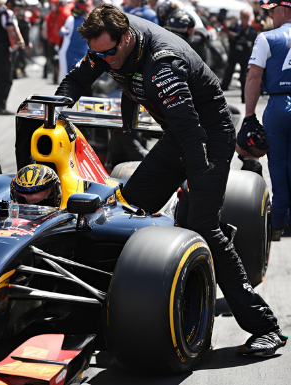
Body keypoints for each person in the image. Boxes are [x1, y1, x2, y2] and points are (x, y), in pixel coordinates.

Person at [55, 4, 287, 356]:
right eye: (98, 53)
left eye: (111, 53)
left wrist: (196, 176)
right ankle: (107, 312)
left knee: (202, 226)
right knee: (126, 213)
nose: (106, 61)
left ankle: (265, 327)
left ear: (128, 37)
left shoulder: (163, 63)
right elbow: (77, 79)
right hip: (177, 136)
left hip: (206, 137)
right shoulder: (108, 42)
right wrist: (54, 105)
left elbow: (191, 130)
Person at [240, 0, 291, 241]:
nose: (271, 16)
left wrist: (249, 116)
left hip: (278, 106)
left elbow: (253, 77)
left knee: (278, 167)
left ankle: (279, 223)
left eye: (272, 11)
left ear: (284, 9)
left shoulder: (266, 38)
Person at [0, 0, 25, 115]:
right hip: (4, 48)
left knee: (0, 77)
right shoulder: (7, 13)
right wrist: (17, 43)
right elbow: (11, 30)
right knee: (6, 78)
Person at [220, 9, 258, 103]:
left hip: (245, 57)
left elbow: (246, 42)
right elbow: (229, 34)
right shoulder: (236, 27)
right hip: (234, 55)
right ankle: (221, 93)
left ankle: (244, 98)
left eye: (246, 17)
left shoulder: (251, 30)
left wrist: (232, 35)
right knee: (228, 72)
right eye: (243, 16)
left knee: (243, 78)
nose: (244, 19)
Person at [58, 0, 89, 79]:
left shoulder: (70, 19)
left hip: (69, 53)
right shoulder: (89, 22)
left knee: (67, 80)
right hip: (82, 54)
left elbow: (62, 32)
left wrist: (62, 30)